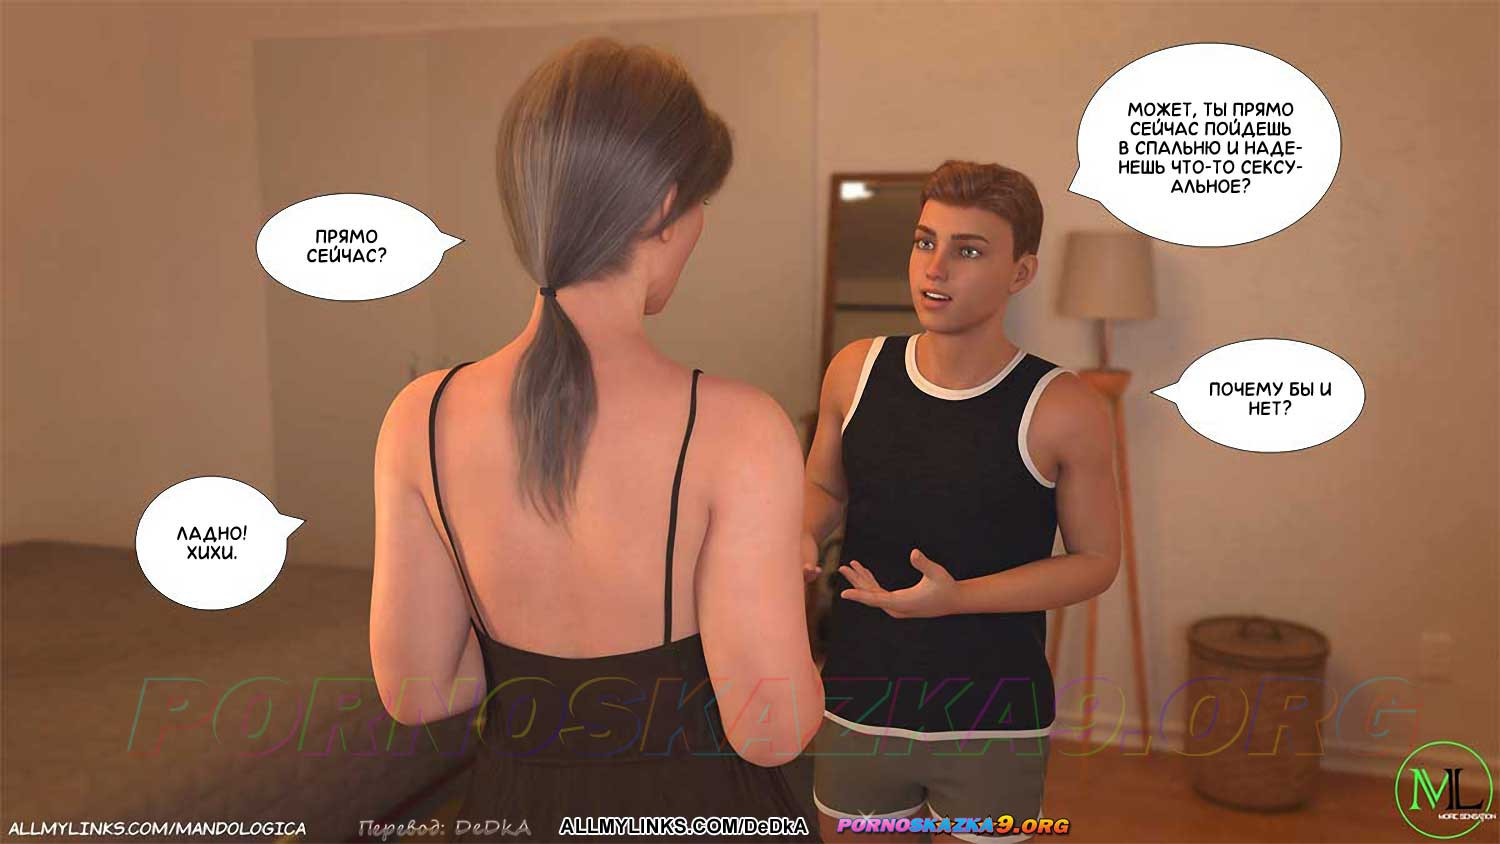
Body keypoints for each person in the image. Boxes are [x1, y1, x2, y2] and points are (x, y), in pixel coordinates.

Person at [370, 37, 822, 842]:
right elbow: (772, 730)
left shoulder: (420, 416)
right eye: (700, 203)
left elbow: (420, 692)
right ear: (663, 210)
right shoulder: (741, 429)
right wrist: (774, 581)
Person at [801, 161, 1123, 843]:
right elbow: (825, 488)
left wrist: (958, 598)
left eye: (968, 250)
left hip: (994, 718)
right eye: (925, 241)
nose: (935, 267)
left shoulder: (1064, 407)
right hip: (859, 699)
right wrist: (801, 536)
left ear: (1021, 272)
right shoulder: (854, 371)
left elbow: (1096, 561)